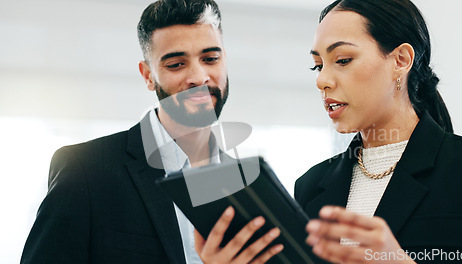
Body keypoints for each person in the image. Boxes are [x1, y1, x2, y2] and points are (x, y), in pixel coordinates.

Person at [20, 0, 281, 263]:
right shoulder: (85, 169)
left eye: (210, 59)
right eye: (176, 64)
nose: (199, 77)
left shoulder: (249, 188)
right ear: (148, 76)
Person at [294, 0, 462, 263]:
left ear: (401, 60)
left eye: (343, 60)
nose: (322, 80)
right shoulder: (308, 187)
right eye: (318, 65)